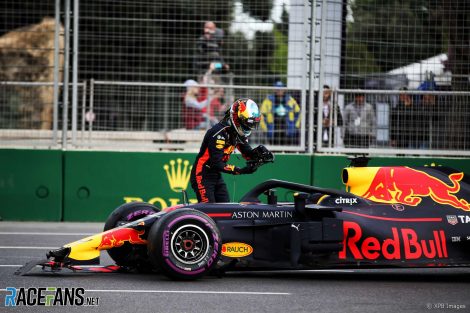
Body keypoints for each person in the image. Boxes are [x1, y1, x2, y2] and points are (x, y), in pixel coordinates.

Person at [190, 98, 262, 203]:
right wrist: (240, 170)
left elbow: (248, 153)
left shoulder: (236, 132)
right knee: (209, 210)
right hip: (202, 174)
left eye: (250, 125)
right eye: (246, 123)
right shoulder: (218, 132)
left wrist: (260, 155)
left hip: (217, 175)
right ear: (237, 118)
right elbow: (217, 163)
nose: (248, 127)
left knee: (225, 208)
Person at [260, 81, 300, 145]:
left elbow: (298, 112)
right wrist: (265, 128)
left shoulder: (290, 99)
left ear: (284, 89)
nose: (279, 90)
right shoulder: (268, 100)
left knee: (288, 149)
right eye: (277, 89)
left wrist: (295, 126)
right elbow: (261, 115)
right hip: (272, 130)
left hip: (288, 130)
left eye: (281, 88)